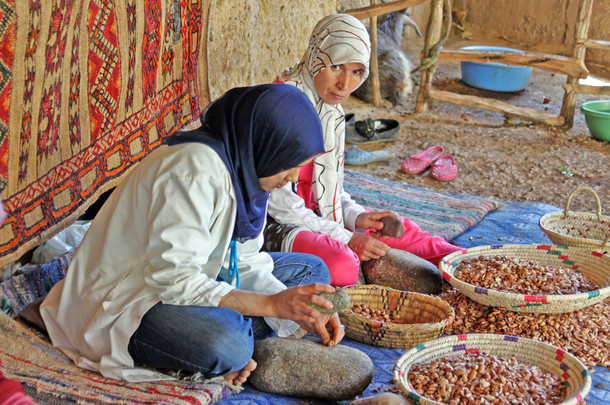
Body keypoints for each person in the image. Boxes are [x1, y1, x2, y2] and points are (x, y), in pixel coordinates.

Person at [40, 84, 345, 385]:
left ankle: (227, 348)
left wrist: (301, 310)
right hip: (127, 302)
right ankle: (232, 349)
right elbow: (172, 279)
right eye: (290, 164)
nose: (292, 178)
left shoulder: (249, 170)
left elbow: (245, 260)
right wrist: (272, 306)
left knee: (312, 273)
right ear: (266, 142)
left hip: (193, 282)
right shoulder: (194, 170)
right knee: (230, 344)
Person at [265, 14, 461, 287]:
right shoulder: (280, 106)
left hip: (318, 217)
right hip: (273, 223)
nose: (345, 85)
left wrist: (356, 216)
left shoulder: (331, 112)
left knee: (399, 230)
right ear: (316, 54)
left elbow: (331, 188)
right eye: (336, 67)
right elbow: (282, 207)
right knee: (343, 264)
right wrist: (347, 237)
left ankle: (467, 263)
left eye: (357, 72)